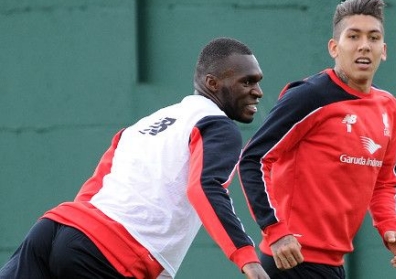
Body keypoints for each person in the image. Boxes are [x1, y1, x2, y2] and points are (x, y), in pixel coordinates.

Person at [0, 37, 269, 279]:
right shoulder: (218, 126)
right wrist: (248, 259)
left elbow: (91, 193)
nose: (258, 91)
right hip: (106, 253)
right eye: (247, 81)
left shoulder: (140, 125)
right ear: (212, 83)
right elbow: (205, 187)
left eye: (257, 82)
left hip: (55, 229)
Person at [238, 0, 396, 278]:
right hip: (291, 262)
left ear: (384, 50)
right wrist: (275, 230)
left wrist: (390, 226)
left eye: (373, 37)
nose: (364, 45)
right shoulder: (309, 96)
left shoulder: (387, 106)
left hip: (332, 265)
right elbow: (253, 160)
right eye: (353, 36)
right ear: (334, 47)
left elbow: (384, 180)